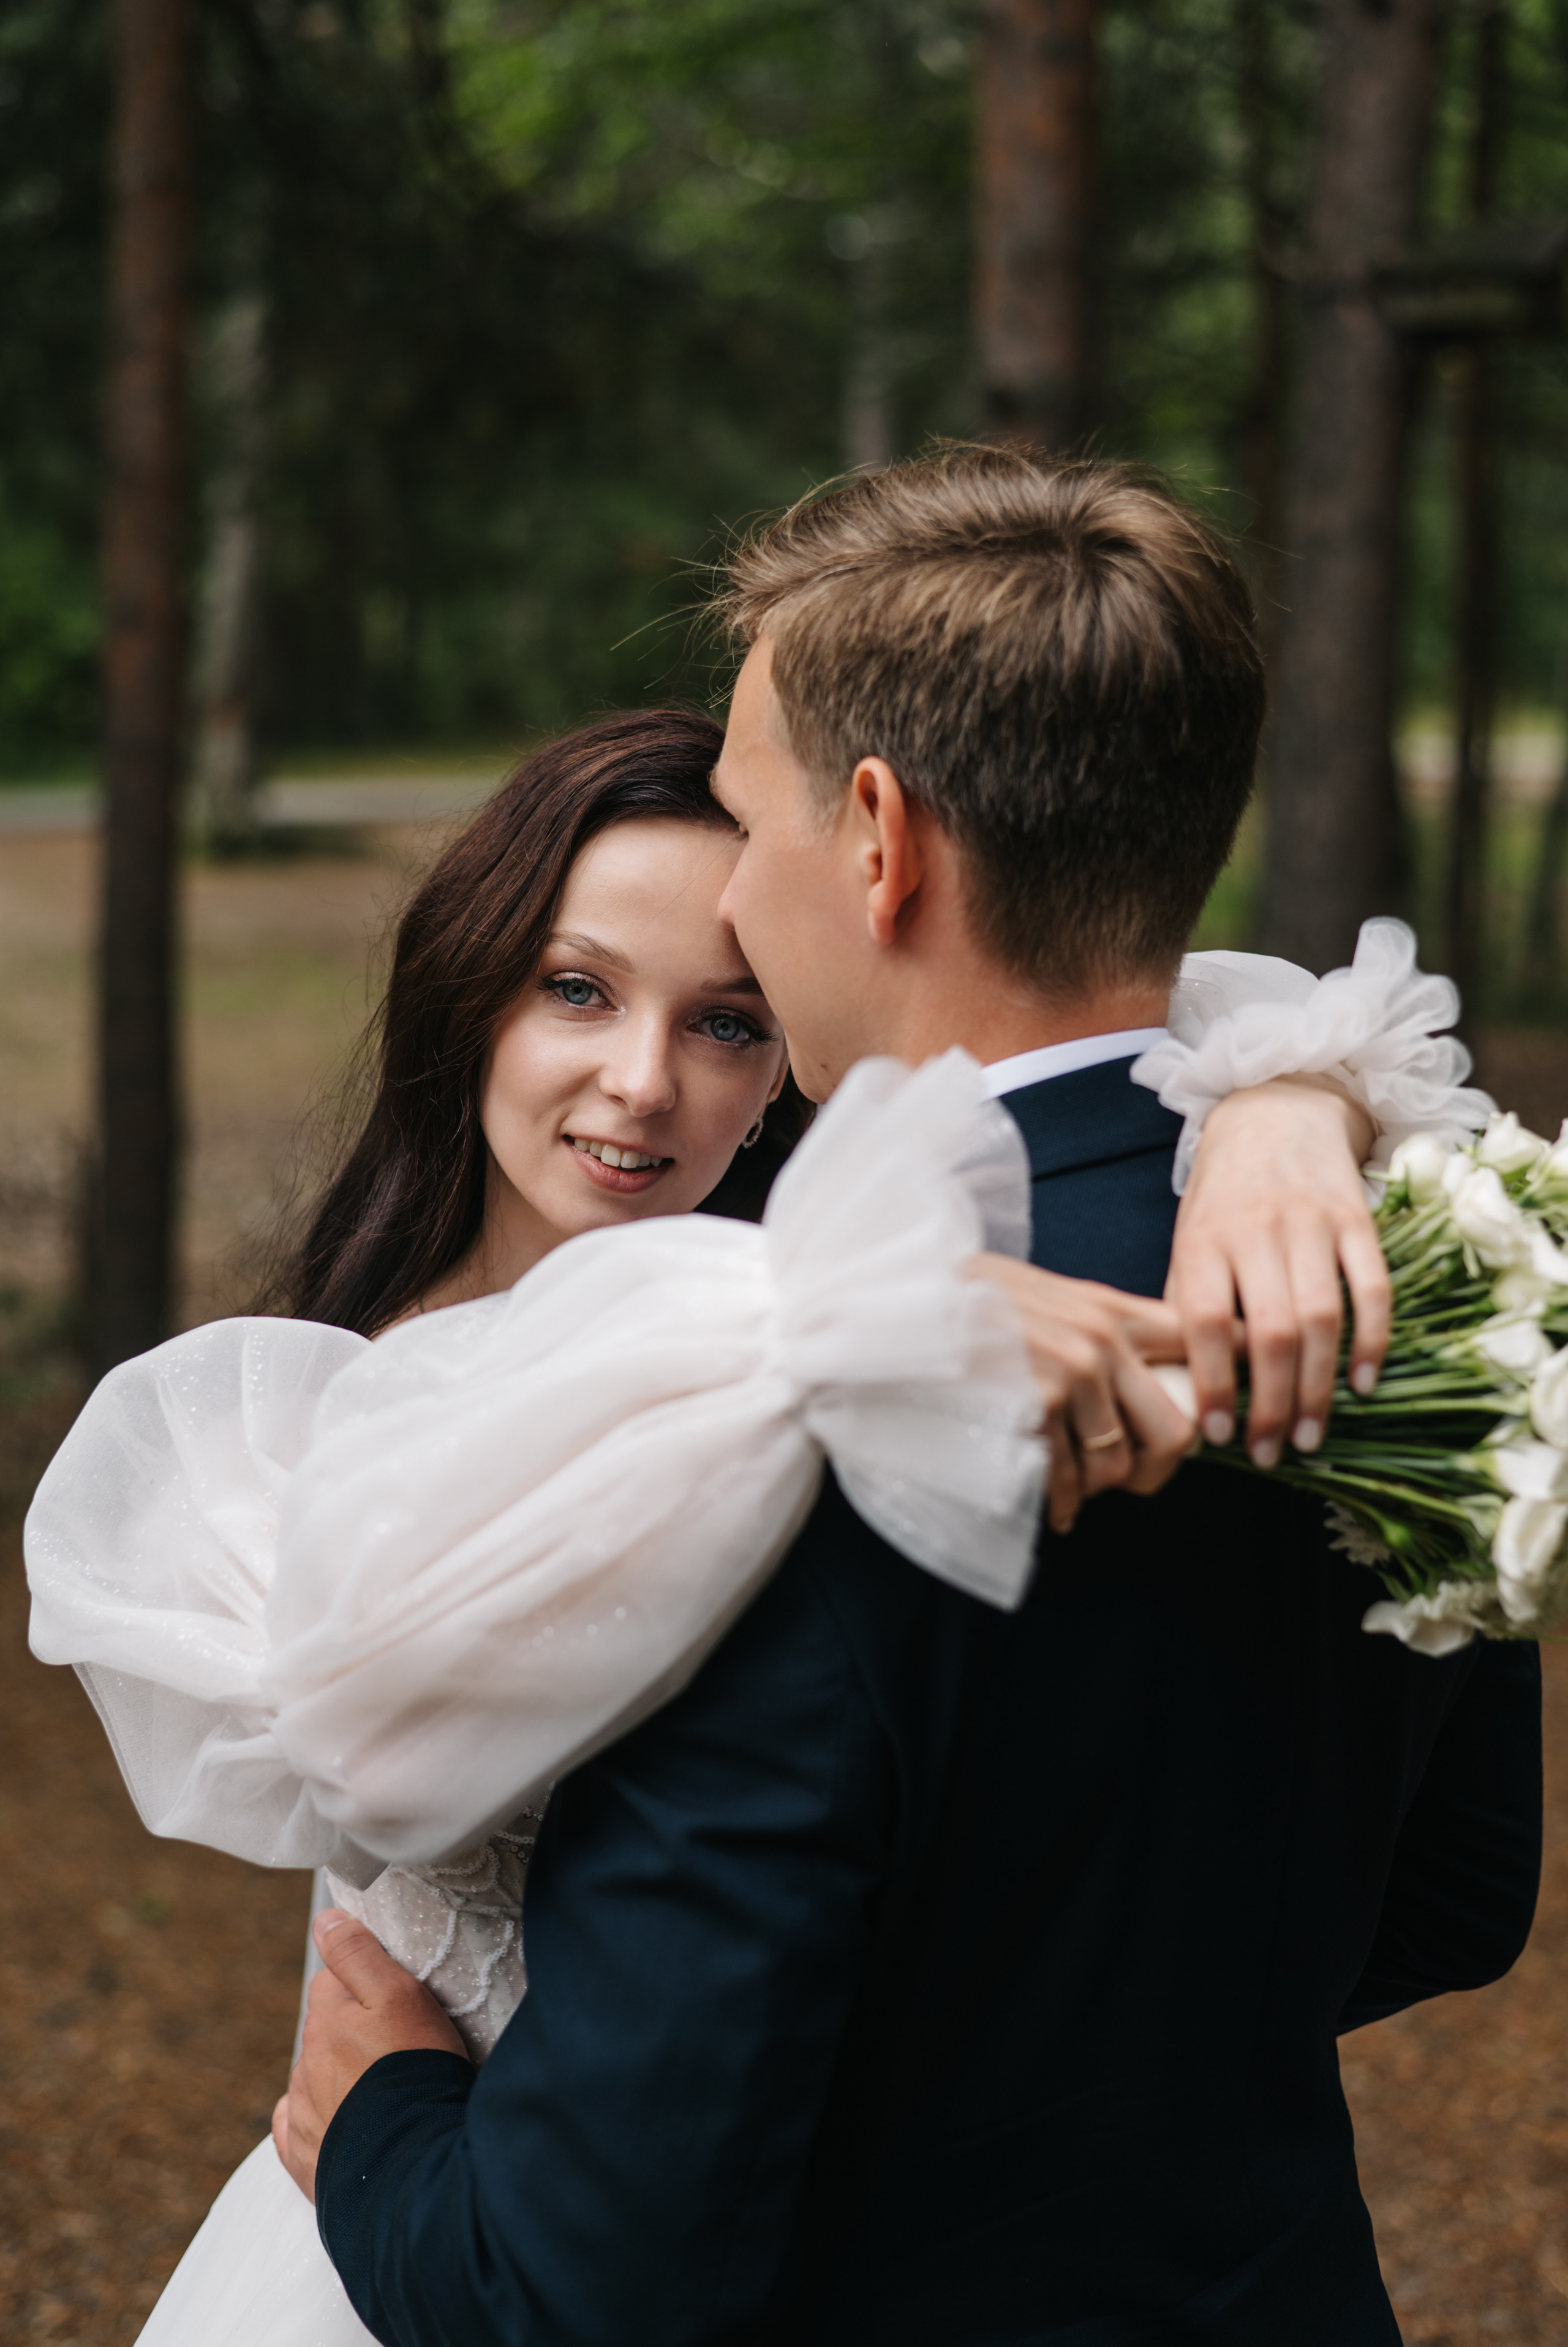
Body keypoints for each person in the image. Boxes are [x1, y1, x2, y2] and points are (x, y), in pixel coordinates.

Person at [263, 450, 1543, 2346]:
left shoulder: (769, 1409)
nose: (740, 886)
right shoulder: (1413, 1282)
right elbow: (1450, 1901)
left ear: (877, 838)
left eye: (745, 812)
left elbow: (580, 2287)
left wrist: (376, 2119)